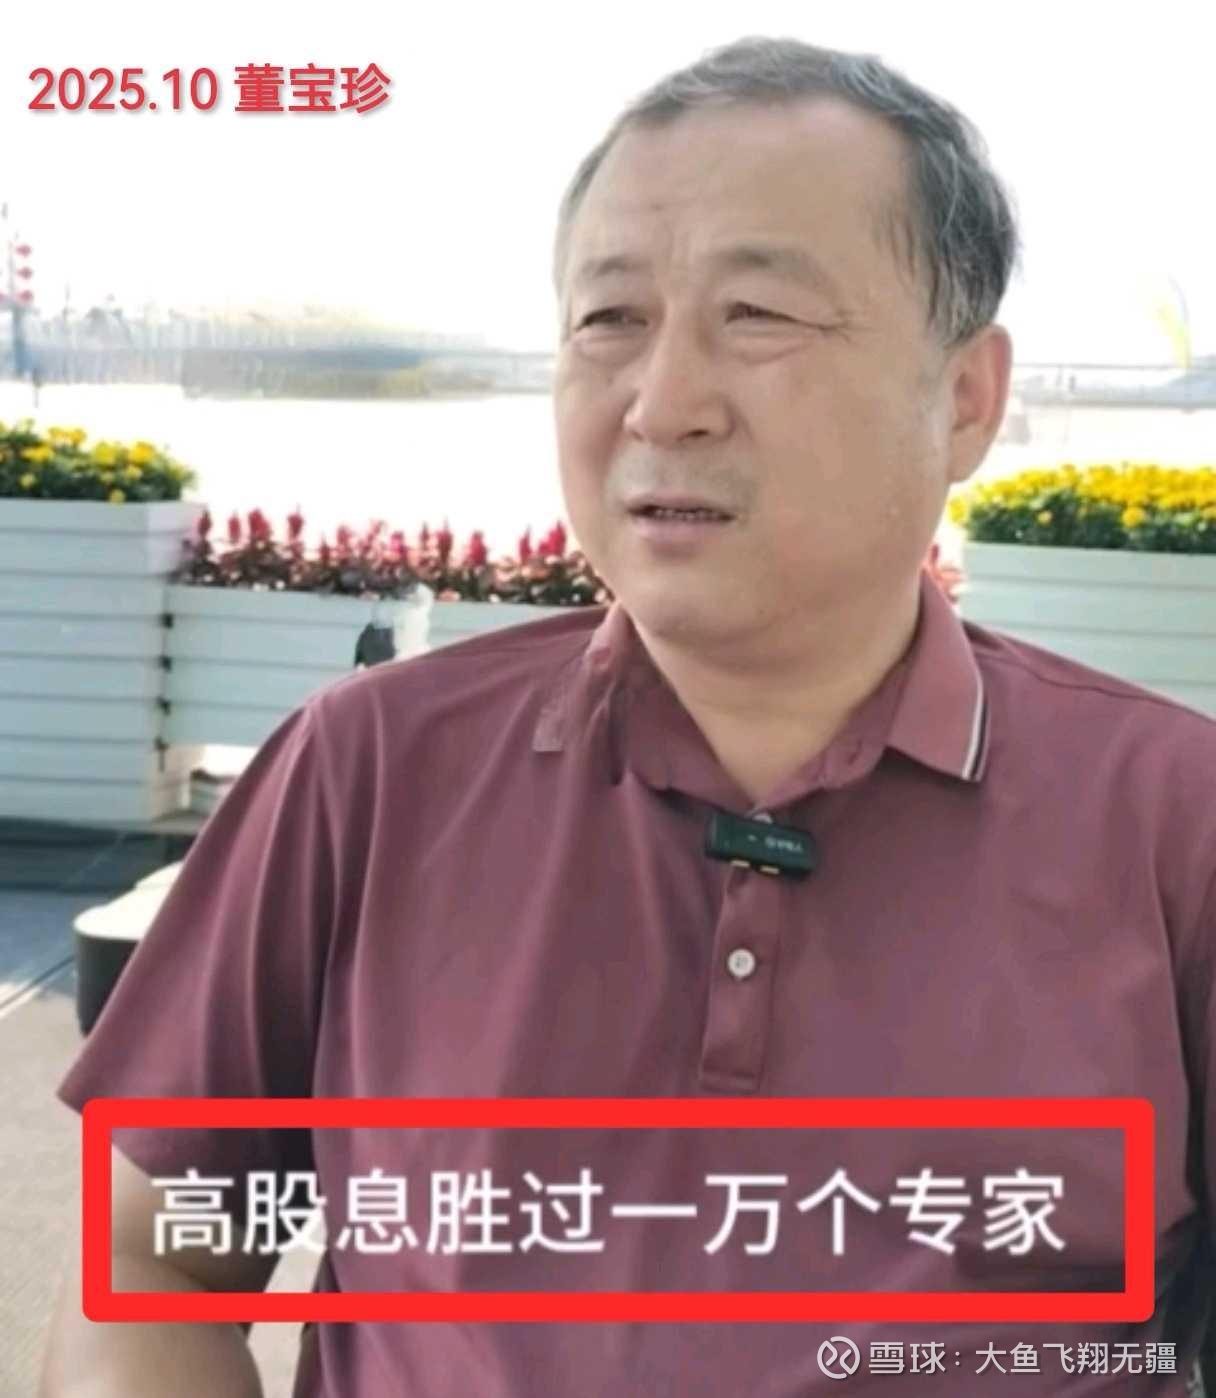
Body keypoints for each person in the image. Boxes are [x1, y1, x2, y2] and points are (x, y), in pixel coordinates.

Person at [42, 34, 1216, 1397]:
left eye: (758, 315)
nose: (664, 403)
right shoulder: (366, 770)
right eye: (609, 320)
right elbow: (151, 1263)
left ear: (965, 399)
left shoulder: (1171, 819)